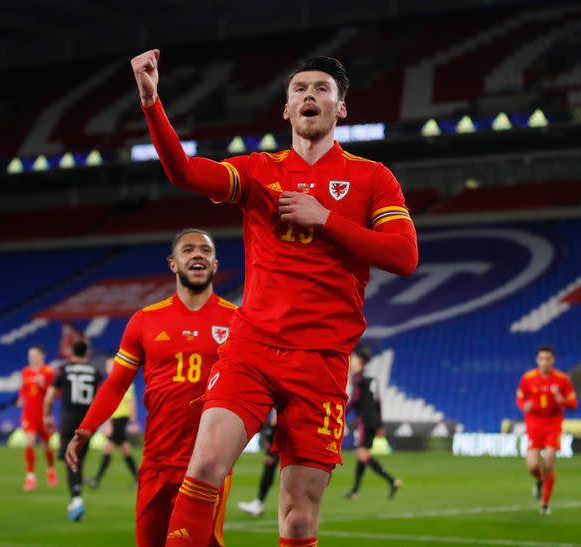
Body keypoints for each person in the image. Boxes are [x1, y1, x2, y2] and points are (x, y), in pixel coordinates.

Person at [128, 49, 418, 545]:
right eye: (299, 89)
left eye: (321, 89)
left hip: (322, 360)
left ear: (340, 108)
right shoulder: (260, 170)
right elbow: (185, 173)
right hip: (251, 348)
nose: (309, 95)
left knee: (300, 517)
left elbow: (404, 255)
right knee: (203, 469)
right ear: (286, 109)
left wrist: (325, 218)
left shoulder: (373, 177)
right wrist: (152, 102)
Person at [65, 229, 236, 546]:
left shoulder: (238, 321)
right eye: (188, 250)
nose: (197, 254)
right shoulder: (145, 321)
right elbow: (116, 384)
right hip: (156, 464)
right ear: (173, 264)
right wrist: (85, 430)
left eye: (204, 250)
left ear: (214, 264)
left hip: (208, 467)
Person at [44, 340, 103, 521]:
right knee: (79, 461)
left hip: (68, 423)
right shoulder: (95, 371)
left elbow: (49, 397)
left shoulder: (65, 369)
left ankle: (76, 501)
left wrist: (47, 416)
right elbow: (103, 395)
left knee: (70, 461)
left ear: (72, 353)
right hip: (87, 423)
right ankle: (75, 499)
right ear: (87, 353)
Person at [516, 345, 578, 515]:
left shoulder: (562, 379)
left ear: (553, 360)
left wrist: (562, 400)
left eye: (548, 358)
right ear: (537, 360)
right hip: (534, 424)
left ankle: (545, 503)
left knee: (549, 459)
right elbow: (520, 398)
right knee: (532, 466)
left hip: (553, 424)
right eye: (542, 358)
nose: (545, 362)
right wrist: (524, 406)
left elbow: (574, 403)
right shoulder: (528, 378)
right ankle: (540, 480)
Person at [343, 345, 401, 500]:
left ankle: (391, 480)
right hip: (374, 421)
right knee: (362, 454)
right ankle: (355, 490)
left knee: (362, 453)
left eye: (354, 359)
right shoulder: (372, 380)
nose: (352, 361)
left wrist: (341, 413)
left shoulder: (357, 378)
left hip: (364, 421)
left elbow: (354, 400)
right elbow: (378, 402)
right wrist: (380, 425)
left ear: (360, 361)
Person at [86, 357, 139, 489]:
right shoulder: (110, 383)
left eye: (112, 365)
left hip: (121, 419)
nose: (109, 368)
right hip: (116, 419)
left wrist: (132, 420)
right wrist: (109, 423)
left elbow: (131, 402)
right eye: (108, 365)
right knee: (124, 450)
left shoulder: (124, 382)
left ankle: (97, 479)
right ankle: (139, 479)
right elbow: (108, 405)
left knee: (110, 448)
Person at [17, 345, 56, 492]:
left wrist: (43, 385)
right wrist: (21, 398)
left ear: (41, 356)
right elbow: (23, 389)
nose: (31, 358)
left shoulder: (48, 372)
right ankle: (30, 477)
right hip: (29, 414)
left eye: (33, 355)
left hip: (44, 414)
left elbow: (54, 393)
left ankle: (51, 469)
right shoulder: (25, 372)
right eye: (29, 355)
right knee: (29, 443)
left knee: (46, 446)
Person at [237, 411, 278, 518]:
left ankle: (259, 503)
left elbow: (274, 422)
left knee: (270, 470)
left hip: (281, 441)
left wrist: (270, 452)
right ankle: (258, 502)